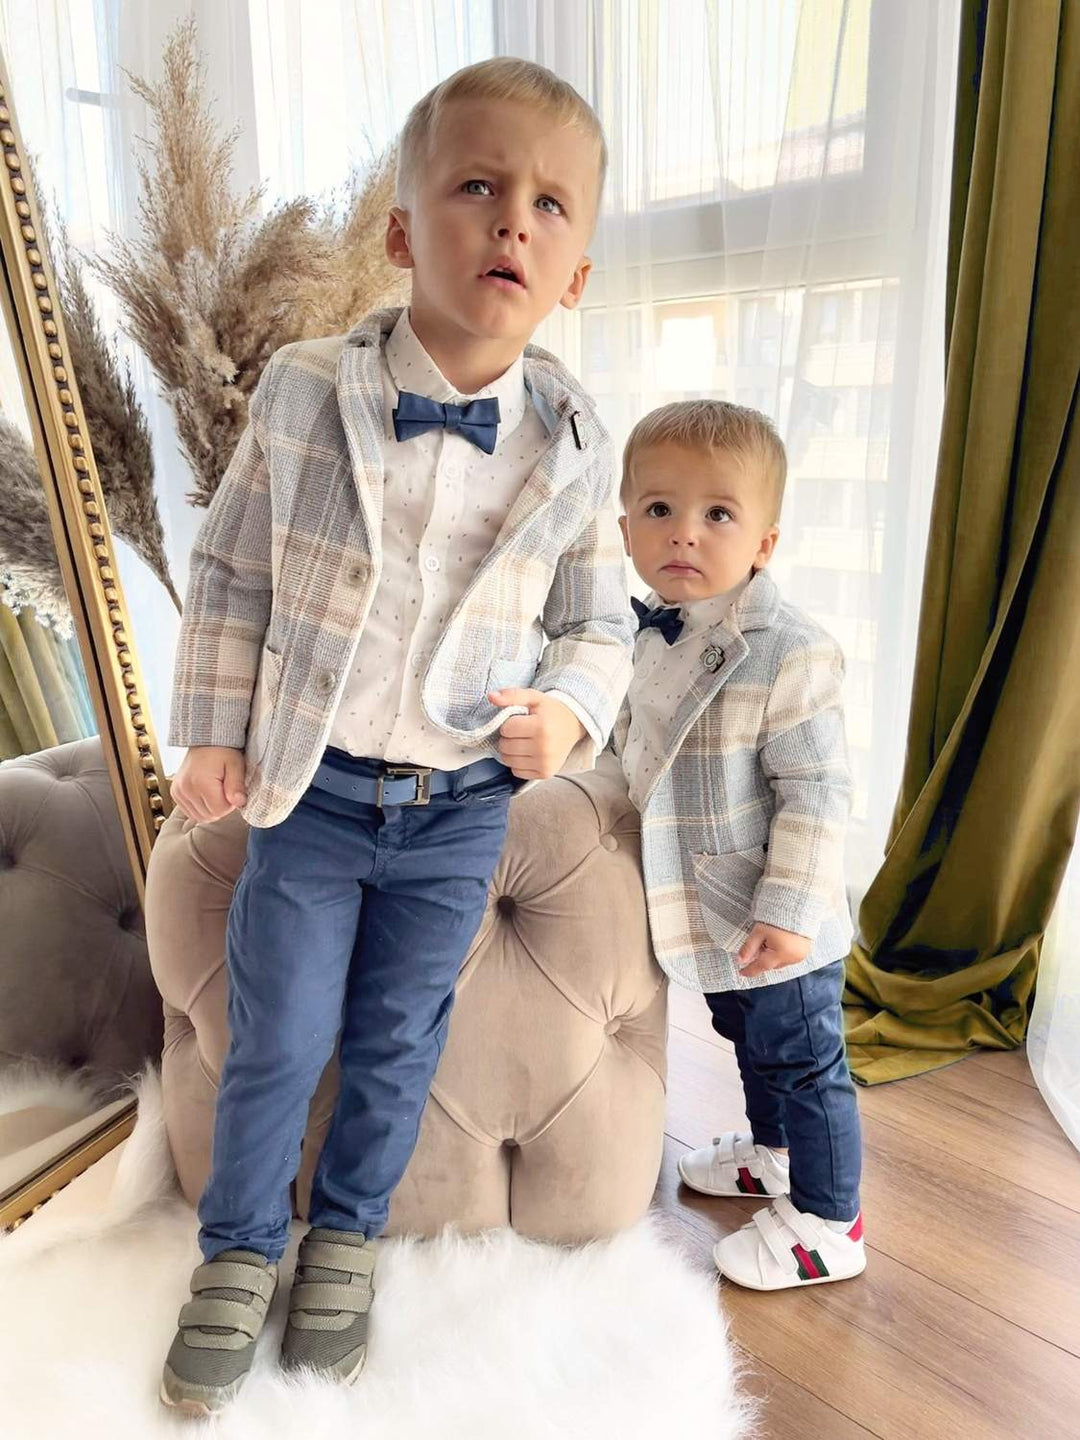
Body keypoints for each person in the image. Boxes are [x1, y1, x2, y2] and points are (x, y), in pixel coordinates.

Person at [159, 57, 633, 1416]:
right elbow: (236, 566)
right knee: (279, 1036)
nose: (512, 224)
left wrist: (572, 710)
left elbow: (599, 624)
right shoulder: (309, 388)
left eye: (549, 206)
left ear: (577, 274)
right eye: (477, 187)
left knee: (393, 1042)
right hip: (308, 794)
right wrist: (207, 731)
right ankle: (239, 1253)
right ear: (403, 231)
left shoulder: (577, 440)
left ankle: (347, 1245)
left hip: (457, 804)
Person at [615, 399, 864, 1292]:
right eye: (659, 510)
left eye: (718, 513)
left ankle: (830, 1224)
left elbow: (818, 793)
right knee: (748, 1041)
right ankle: (775, 1155)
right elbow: (633, 748)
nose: (685, 532)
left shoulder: (789, 653)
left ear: (764, 542)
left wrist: (790, 912)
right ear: (627, 527)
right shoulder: (648, 637)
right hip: (710, 910)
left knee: (802, 1058)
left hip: (776, 916)